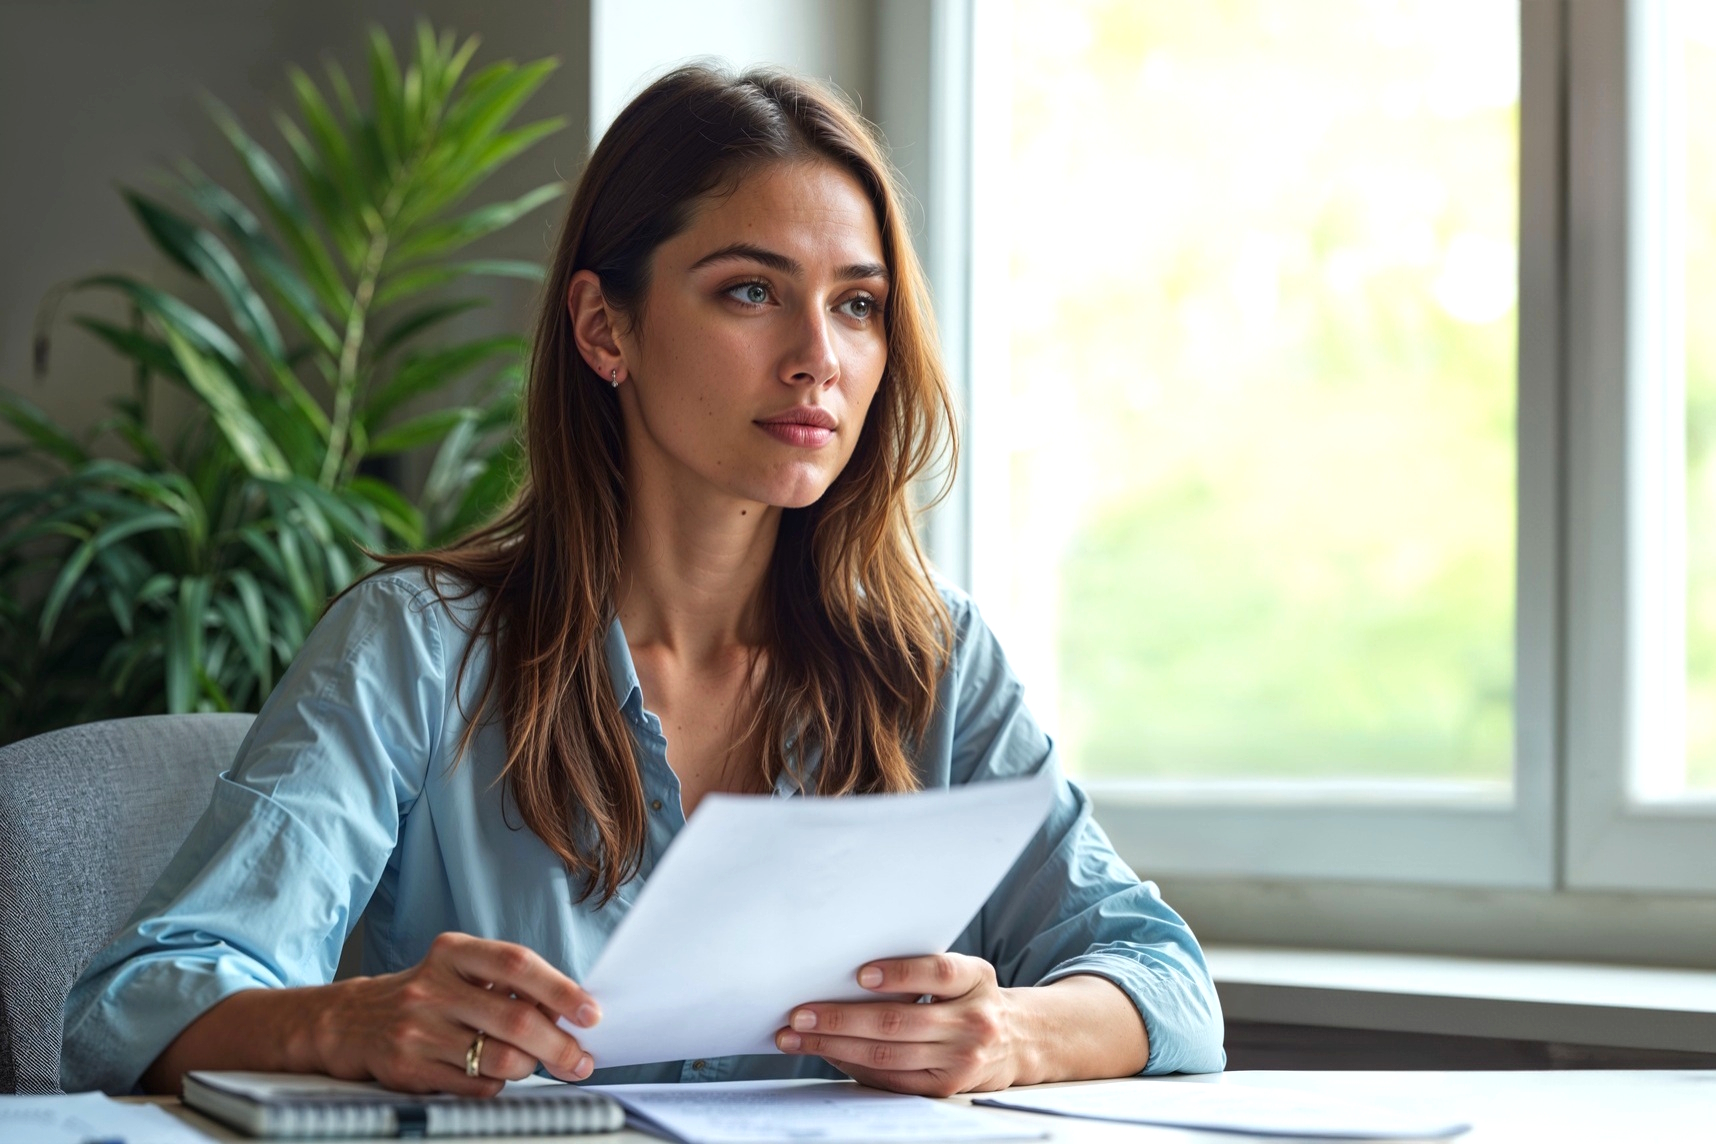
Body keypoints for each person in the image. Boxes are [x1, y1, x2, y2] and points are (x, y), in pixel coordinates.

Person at [61, 65, 1224, 1099]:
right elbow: (132, 1005)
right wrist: (347, 1019)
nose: (819, 354)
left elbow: (1163, 978)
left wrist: (1011, 1032)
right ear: (604, 328)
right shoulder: (415, 648)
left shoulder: (935, 664)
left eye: (858, 305)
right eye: (751, 292)